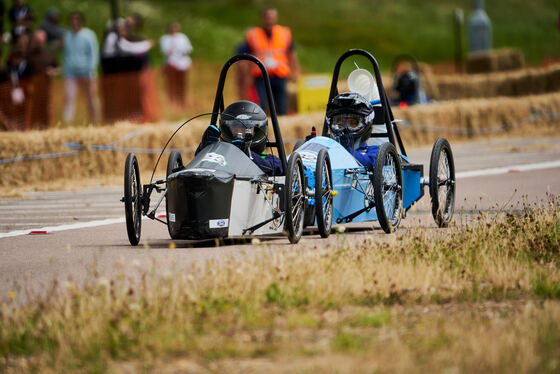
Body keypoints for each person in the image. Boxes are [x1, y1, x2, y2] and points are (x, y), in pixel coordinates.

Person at [238, 7, 300, 115]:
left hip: (280, 74)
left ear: (276, 18)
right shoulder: (253, 35)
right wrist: (246, 75)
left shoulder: (284, 33)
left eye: (272, 17)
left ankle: (281, 127)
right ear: (262, 18)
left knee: (281, 105)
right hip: (261, 76)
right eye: (267, 17)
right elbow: (245, 57)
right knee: (261, 104)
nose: (269, 20)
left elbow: (292, 54)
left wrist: (295, 71)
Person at [196, 100, 283, 176]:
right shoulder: (220, 156)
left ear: (257, 130)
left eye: (247, 127)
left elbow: (278, 168)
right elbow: (198, 167)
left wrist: (247, 155)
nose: (241, 131)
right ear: (228, 129)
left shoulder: (269, 160)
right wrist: (204, 148)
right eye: (236, 126)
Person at [62, 11, 99, 124]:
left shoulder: (89, 35)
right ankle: (67, 124)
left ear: (81, 21)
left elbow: (94, 53)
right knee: (69, 98)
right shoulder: (67, 36)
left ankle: (94, 122)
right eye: (72, 19)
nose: (74, 22)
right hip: (71, 73)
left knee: (91, 98)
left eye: (76, 19)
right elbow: (65, 54)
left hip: (87, 72)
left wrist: (91, 69)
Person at [325, 92, 378, 169]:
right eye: (340, 123)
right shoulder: (325, 149)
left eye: (353, 123)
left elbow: (369, 162)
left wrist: (343, 149)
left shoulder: (374, 151)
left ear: (366, 125)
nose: (345, 128)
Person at [160, 21, 192, 111]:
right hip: (171, 64)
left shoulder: (183, 37)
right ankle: (172, 103)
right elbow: (166, 51)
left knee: (182, 84)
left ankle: (182, 102)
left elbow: (188, 49)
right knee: (171, 85)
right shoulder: (165, 38)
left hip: (182, 64)